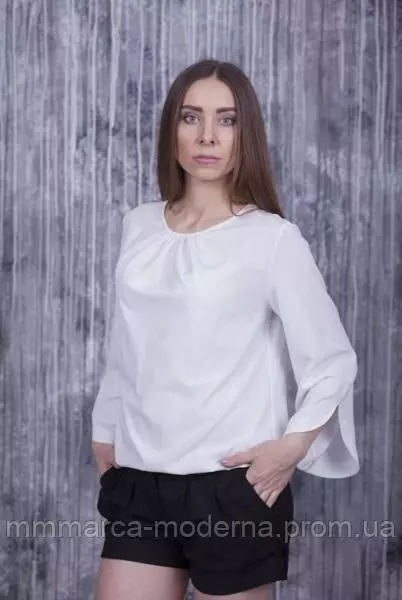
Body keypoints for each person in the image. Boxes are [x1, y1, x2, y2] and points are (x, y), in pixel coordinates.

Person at [91, 59, 359, 600]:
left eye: (227, 120)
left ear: (246, 134)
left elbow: (332, 359)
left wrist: (292, 446)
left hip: (231, 487)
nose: (208, 136)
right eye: (191, 117)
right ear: (172, 130)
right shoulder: (138, 225)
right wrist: (104, 428)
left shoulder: (272, 239)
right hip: (140, 479)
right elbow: (128, 342)